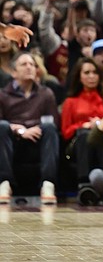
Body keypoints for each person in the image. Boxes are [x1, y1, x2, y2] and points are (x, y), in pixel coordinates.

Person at [0, 52, 60, 204]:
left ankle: (48, 184)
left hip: (37, 139)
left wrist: (35, 128)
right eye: (24, 64)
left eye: (32, 65)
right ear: (13, 72)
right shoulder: (3, 95)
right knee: (2, 126)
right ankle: (4, 184)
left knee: (50, 127)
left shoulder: (46, 94)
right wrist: (19, 130)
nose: (29, 68)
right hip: (11, 142)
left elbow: (53, 120)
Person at [60, 57, 103, 205]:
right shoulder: (71, 102)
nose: (91, 76)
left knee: (102, 136)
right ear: (79, 77)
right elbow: (66, 132)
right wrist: (84, 125)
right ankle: (84, 184)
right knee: (84, 134)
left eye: (94, 72)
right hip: (76, 145)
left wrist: (100, 125)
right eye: (86, 72)